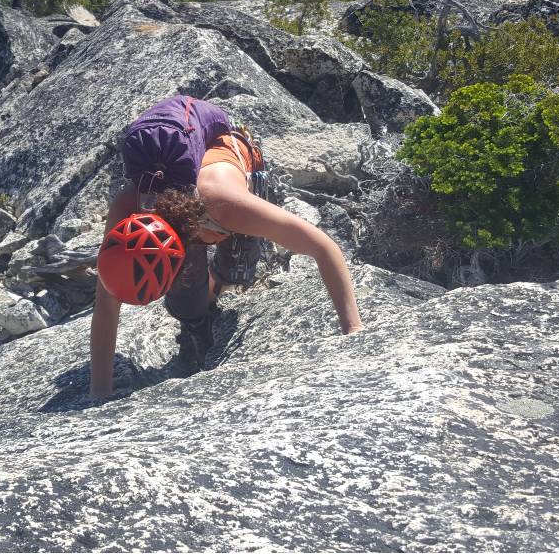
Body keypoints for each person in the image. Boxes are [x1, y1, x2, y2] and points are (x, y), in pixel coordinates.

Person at [89, 95, 363, 399]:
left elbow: (323, 247)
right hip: (188, 198)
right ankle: (199, 320)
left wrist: (353, 331)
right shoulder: (127, 208)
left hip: (230, 155)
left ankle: (218, 285)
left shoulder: (228, 206)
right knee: (185, 305)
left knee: (238, 271)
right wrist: (100, 392)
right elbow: (106, 304)